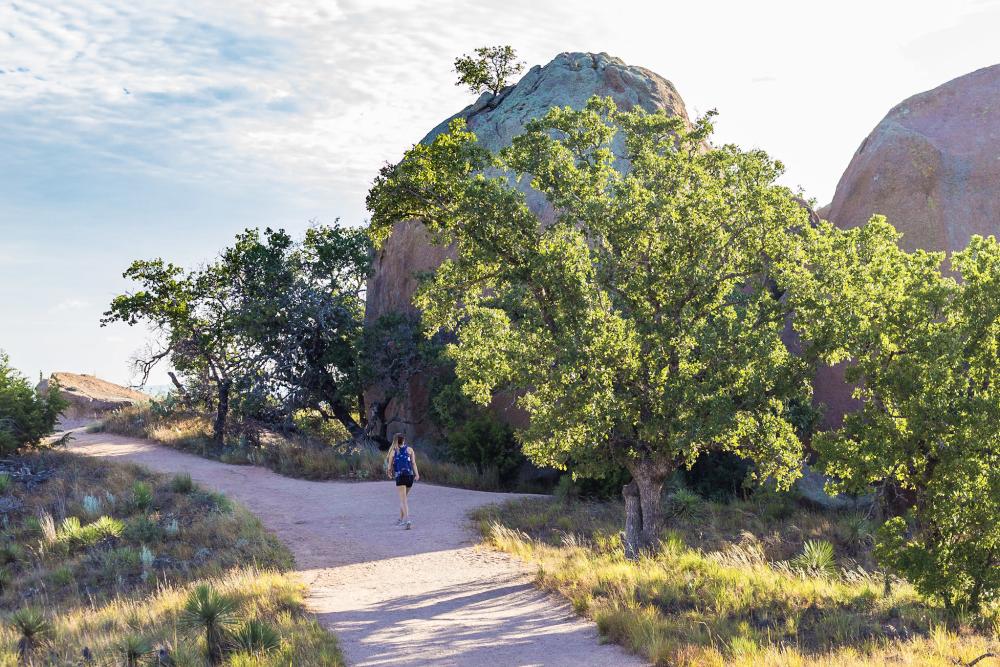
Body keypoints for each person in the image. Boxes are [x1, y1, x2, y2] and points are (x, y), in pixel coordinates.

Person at [385, 432, 419, 529]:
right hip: (410, 477)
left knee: (403, 500)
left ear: (395, 440)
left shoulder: (393, 451)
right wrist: (417, 474)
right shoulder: (410, 449)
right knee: (403, 499)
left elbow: (389, 467)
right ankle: (400, 519)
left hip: (400, 477)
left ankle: (408, 520)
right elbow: (413, 463)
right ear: (403, 440)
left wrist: (389, 473)